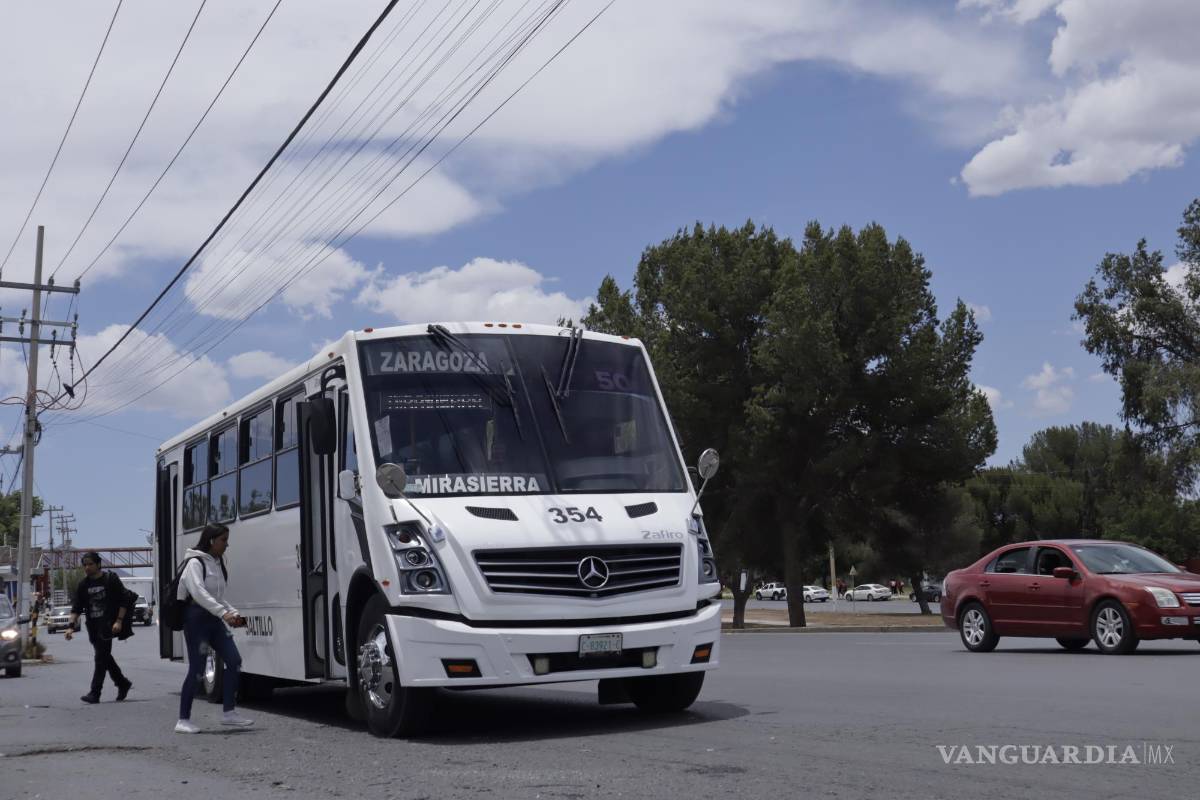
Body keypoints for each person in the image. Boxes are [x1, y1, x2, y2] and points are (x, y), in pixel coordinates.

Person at [175, 522, 252, 733]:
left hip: (213, 620)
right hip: (197, 619)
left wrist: (234, 614)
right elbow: (199, 593)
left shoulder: (216, 563)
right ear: (211, 541)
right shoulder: (195, 563)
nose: (227, 545)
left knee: (234, 660)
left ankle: (229, 713)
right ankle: (183, 719)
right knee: (198, 670)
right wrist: (223, 613)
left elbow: (218, 597)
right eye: (223, 540)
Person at [66, 552, 133, 704]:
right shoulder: (83, 585)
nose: (87, 567)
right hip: (93, 627)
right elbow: (77, 608)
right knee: (104, 657)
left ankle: (95, 693)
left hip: (108, 626)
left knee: (100, 658)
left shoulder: (110, 580)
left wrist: (119, 621)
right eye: (84, 565)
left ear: (98, 564)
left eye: (90, 564)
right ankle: (122, 683)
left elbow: (125, 599)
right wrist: (70, 627)